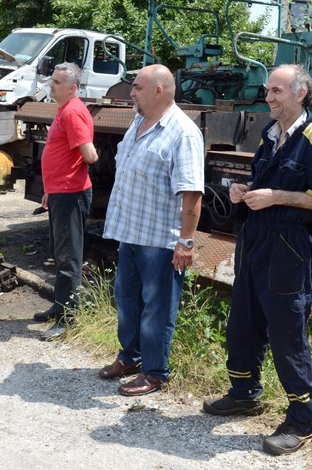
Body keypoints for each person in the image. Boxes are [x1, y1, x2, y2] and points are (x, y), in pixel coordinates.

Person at [202, 64, 312, 455]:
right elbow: (269, 186)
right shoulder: (270, 136)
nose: (268, 97)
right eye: (268, 90)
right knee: (243, 322)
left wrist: (275, 197)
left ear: (300, 94)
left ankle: (302, 421)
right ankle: (243, 393)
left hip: (288, 245)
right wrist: (245, 192)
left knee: (287, 334)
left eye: (276, 91)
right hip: (255, 239)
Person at [99, 64, 204, 396]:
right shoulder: (137, 123)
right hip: (131, 232)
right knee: (127, 300)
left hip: (160, 239)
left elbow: (192, 192)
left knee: (157, 307)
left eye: (137, 87)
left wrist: (185, 243)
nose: (131, 92)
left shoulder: (183, 133)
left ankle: (155, 371)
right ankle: (129, 357)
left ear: (159, 90)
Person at [32, 63, 98, 340]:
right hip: (60, 192)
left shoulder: (72, 113)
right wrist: (51, 188)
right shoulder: (64, 109)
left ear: (73, 88)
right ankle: (59, 307)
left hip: (71, 194)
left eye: (57, 82)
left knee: (69, 257)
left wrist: (64, 183)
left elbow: (90, 155)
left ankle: (68, 319)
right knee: (59, 254)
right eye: (52, 81)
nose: (51, 85)